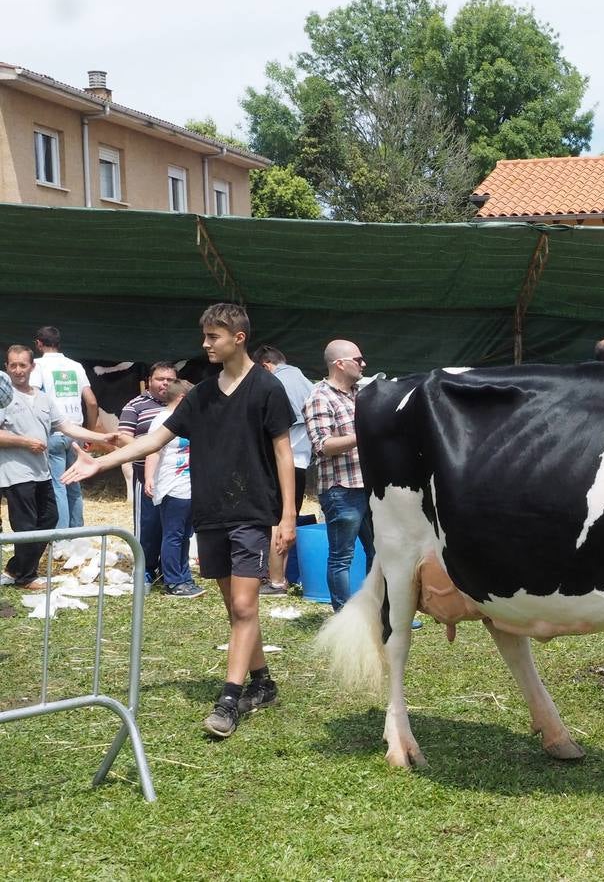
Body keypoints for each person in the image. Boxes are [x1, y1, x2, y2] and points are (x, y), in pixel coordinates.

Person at [64, 303, 296, 738]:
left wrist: (287, 517)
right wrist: (102, 462)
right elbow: (155, 439)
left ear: (238, 338)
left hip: (251, 512)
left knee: (244, 607)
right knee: (235, 609)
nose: (205, 344)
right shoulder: (202, 394)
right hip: (210, 513)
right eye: (205, 335)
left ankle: (229, 700)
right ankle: (263, 683)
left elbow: (284, 453)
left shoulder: (267, 387)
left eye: (213, 336)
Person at [0, 346, 111, 589]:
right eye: (13, 365)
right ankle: (26, 577)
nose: (18, 370)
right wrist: (25, 442)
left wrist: (101, 437)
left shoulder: (42, 397)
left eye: (23, 365)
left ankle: (15, 568)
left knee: (50, 518)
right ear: (6, 368)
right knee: (25, 526)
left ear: (33, 367)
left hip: (42, 471)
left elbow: (66, 426)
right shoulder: (3, 398)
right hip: (16, 473)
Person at [303, 340, 374, 613]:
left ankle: (378, 612)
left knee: (379, 553)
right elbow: (322, 445)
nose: (363, 364)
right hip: (341, 490)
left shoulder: (360, 394)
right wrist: (364, 435)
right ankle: (344, 617)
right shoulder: (319, 397)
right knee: (342, 558)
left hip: (368, 486)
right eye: (358, 359)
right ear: (340, 364)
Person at [255, 345, 315, 596]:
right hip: (301, 462)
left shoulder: (275, 383)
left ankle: (276, 581)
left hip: (281, 463)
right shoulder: (307, 382)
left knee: (275, 522)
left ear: (265, 366)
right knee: (286, 520)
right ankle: (278, 578)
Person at [118, 362, 180, 588]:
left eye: (170, 380)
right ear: (149, 381)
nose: (165, 383)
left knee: (173, 525)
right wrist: (148, 447)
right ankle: (144, 569)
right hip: (145, 472)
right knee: (148, 524)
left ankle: (169, 570)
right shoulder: (135, 405)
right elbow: (123, 436)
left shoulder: (182, 405)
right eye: (160, 379)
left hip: (176, 474)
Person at [32, 325, 99, 530]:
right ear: (58, 343)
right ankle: (77, 531)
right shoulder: (75, 366)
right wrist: (90, 433)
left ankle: (61, 536)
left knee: (58, 485)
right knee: (74, 484)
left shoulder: (37, 366)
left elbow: (32, 398)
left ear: (38, 344)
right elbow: (92, 402)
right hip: (75, 431)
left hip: (53, 431)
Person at [143, 380, 204, 599]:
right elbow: (153, 449)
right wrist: (149, 477)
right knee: (174, 535)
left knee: (185, 535)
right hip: (172, 487)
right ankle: (172, 581)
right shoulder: (162, 420)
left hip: (190, 487)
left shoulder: (190, 418)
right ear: (182, 399)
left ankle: (184, 577)